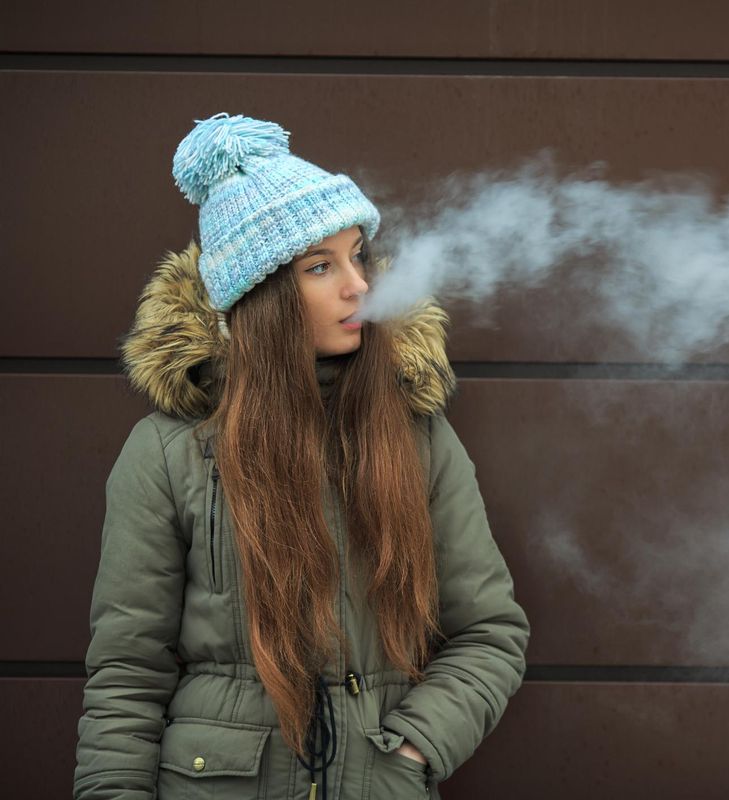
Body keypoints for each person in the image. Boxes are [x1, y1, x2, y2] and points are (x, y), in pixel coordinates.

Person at [73, 112, 530, 800]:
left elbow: (490, 633)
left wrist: (408, 754)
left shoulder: (414, 436)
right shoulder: (169, 454)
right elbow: (128, 677)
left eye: (358, 257)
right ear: (262, 297)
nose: (358, 285)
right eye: (321, 266)